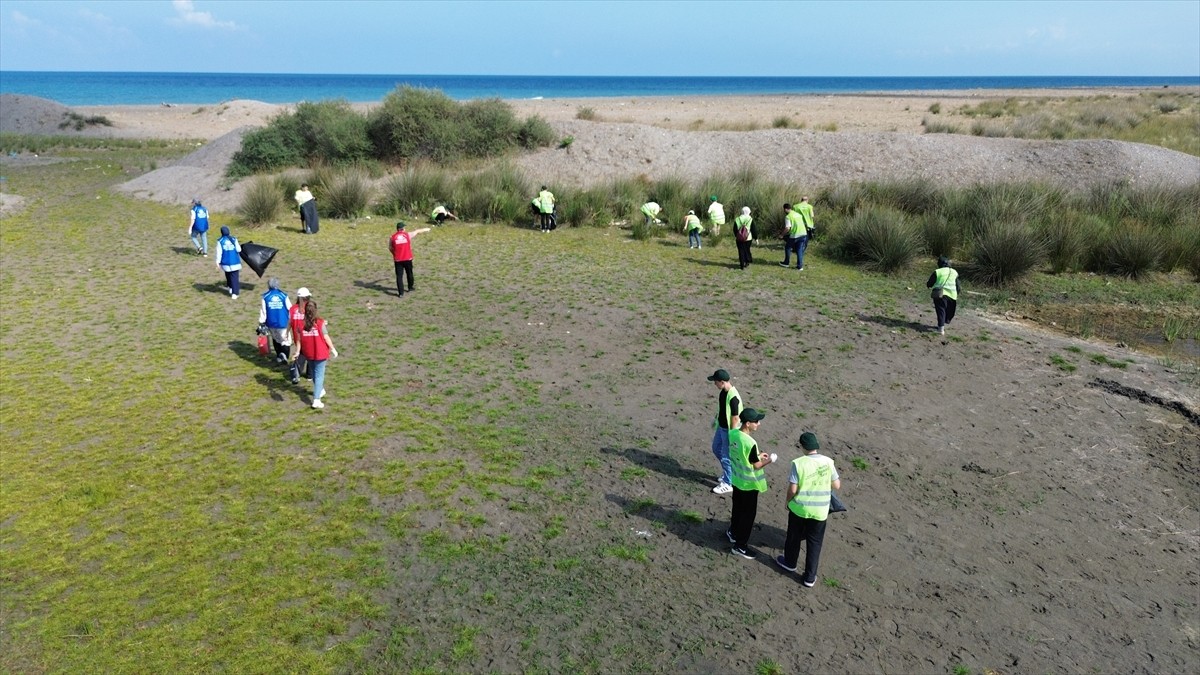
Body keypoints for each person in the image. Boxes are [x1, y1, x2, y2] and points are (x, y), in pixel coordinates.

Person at [776, 432, 840, 587]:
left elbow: (792, 489)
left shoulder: (798, 463)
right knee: (814, 543)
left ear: (802, 446)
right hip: (820, 511)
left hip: (799, 509)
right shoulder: (828, 462)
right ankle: (810, 577)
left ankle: (790, 563)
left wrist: (787, 501)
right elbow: (837, 485)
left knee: (794, 537)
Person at [727, 408, 775, 558]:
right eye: (756, 421)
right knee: (748, 516)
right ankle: (740, 546)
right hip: (749, 485)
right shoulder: (751, 442)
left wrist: (758, 455)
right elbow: (757, 465)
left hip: (736, 480)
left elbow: (743, 455)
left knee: (737, 509)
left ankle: (732, 532)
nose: (758, 424)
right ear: (748, 423)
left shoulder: (732, 434)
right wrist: (769, 460)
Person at [294, 298, 338, 409]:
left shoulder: (300, 324)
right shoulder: (319, 323)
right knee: (319, 376)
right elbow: (326, 337)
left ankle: (320, 390)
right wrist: (333, 349)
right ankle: (316, 400)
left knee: (314, 373)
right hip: (320, 353)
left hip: (308, 353)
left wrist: (298, 352)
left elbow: (298, 340)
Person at [707, 368, 742, 495]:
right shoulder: (723, 392)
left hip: (729, 431)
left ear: (722, 382)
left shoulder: (733, 397)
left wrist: (732, 434)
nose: (714, 384)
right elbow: (722, 409)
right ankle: (730, 474)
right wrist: (716, 419)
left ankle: (728, 483)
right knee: (716, 448)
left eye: (715, 381)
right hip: (721, 427)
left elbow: (735, 418)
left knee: (726, 457)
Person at [388, 221, 431, 297]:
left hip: (398, 260)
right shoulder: (407, 235)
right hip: (407, 258)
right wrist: (426, 229)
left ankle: (401, 293)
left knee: (399, 276)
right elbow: (417, 231)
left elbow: (390, 248)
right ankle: (410, 287)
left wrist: (394, 254)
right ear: (402, 228)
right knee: (409, 273)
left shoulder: (392, 237)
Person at [258, 277, 292, 365]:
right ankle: (285, 357)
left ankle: (279, 356)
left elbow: (263, 311)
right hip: (283, 323)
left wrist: (261, 322)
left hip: (271, 323)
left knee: (275, 339)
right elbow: (290, 308)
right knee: (285, 340)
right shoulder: (283, 295)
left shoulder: (265, 296)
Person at [926, 256, 960, 335]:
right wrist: (957, 292)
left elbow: (930, 282)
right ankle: (944, 322)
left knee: (941, 310)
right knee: (949, 310)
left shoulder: (938, 272)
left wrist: (928, 285)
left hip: (940, 294)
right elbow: (958, 285)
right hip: (952, 295)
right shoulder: (954, 272)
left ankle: (941, 329)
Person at [287, 287, 312, 385]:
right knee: (307, 355)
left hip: (300, 337)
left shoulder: (293, 309)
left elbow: (289, 323)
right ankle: (307, 374)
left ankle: (299, 374)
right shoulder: (309, 308)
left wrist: (286, 332)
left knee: (303, 355)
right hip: (305, 337)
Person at [215, 225, 242, 299]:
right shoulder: (234, 239)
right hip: (235, 261)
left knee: (228, 275)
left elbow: (219, 252)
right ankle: (235, 293)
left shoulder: (220, 241)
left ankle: (230, 287)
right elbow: (239, 249)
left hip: (225, 262)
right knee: (234, 277)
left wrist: (217, 262)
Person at [780, 203, 806, 270]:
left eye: (784, 210)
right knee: (799, 250)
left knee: (787, 247)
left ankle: (786, 263)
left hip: (795, 234)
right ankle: (800, 266)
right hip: (803, 233)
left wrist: (782, 235)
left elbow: (787, 228)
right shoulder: (798, 214)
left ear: (785, 209)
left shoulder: (788, 217)